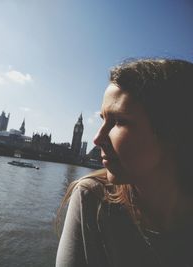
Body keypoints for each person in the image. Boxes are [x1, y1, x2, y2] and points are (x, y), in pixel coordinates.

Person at [56, 58, 193, 267]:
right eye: (102, 119)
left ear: (173, 133)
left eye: (119, 121)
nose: (97, 138)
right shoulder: (91, 198)